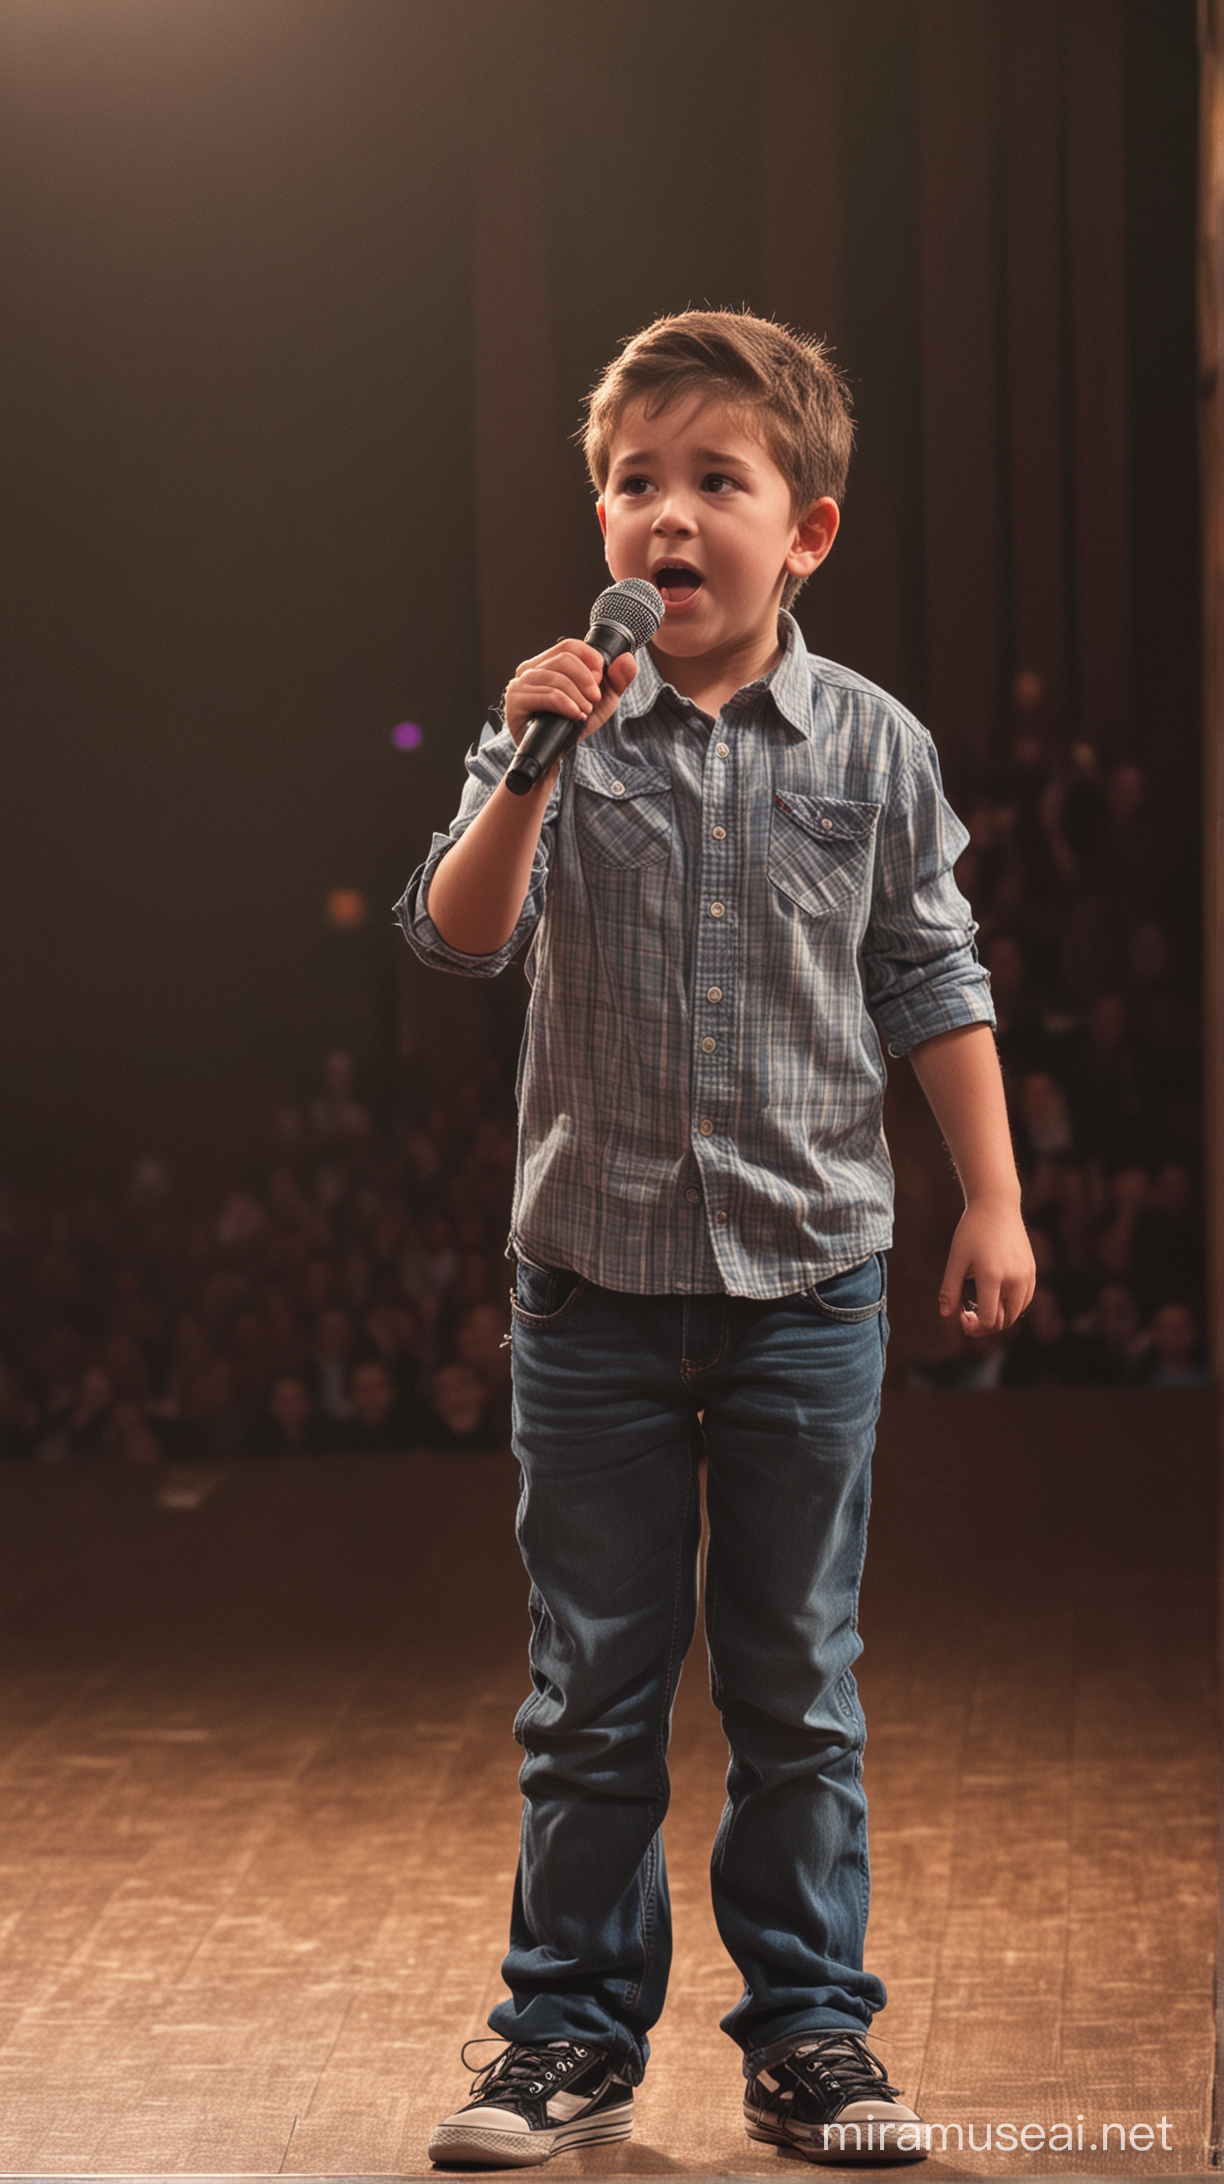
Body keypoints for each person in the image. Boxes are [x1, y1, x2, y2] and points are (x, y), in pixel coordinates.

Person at [398, 310, 1035, 2168]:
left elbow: (932, 966)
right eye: (632, 483)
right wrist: (526, 759)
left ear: (805, 531)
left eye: (713, 483)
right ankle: (565, 2038)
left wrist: (989, 1194)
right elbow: (455, 937)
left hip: (808, 1282)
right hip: (592, 1284)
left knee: (794, 1685)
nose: (664, 517)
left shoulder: (871, 744)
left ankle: (813, 2036)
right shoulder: (552, 727)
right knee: (591, 1690)